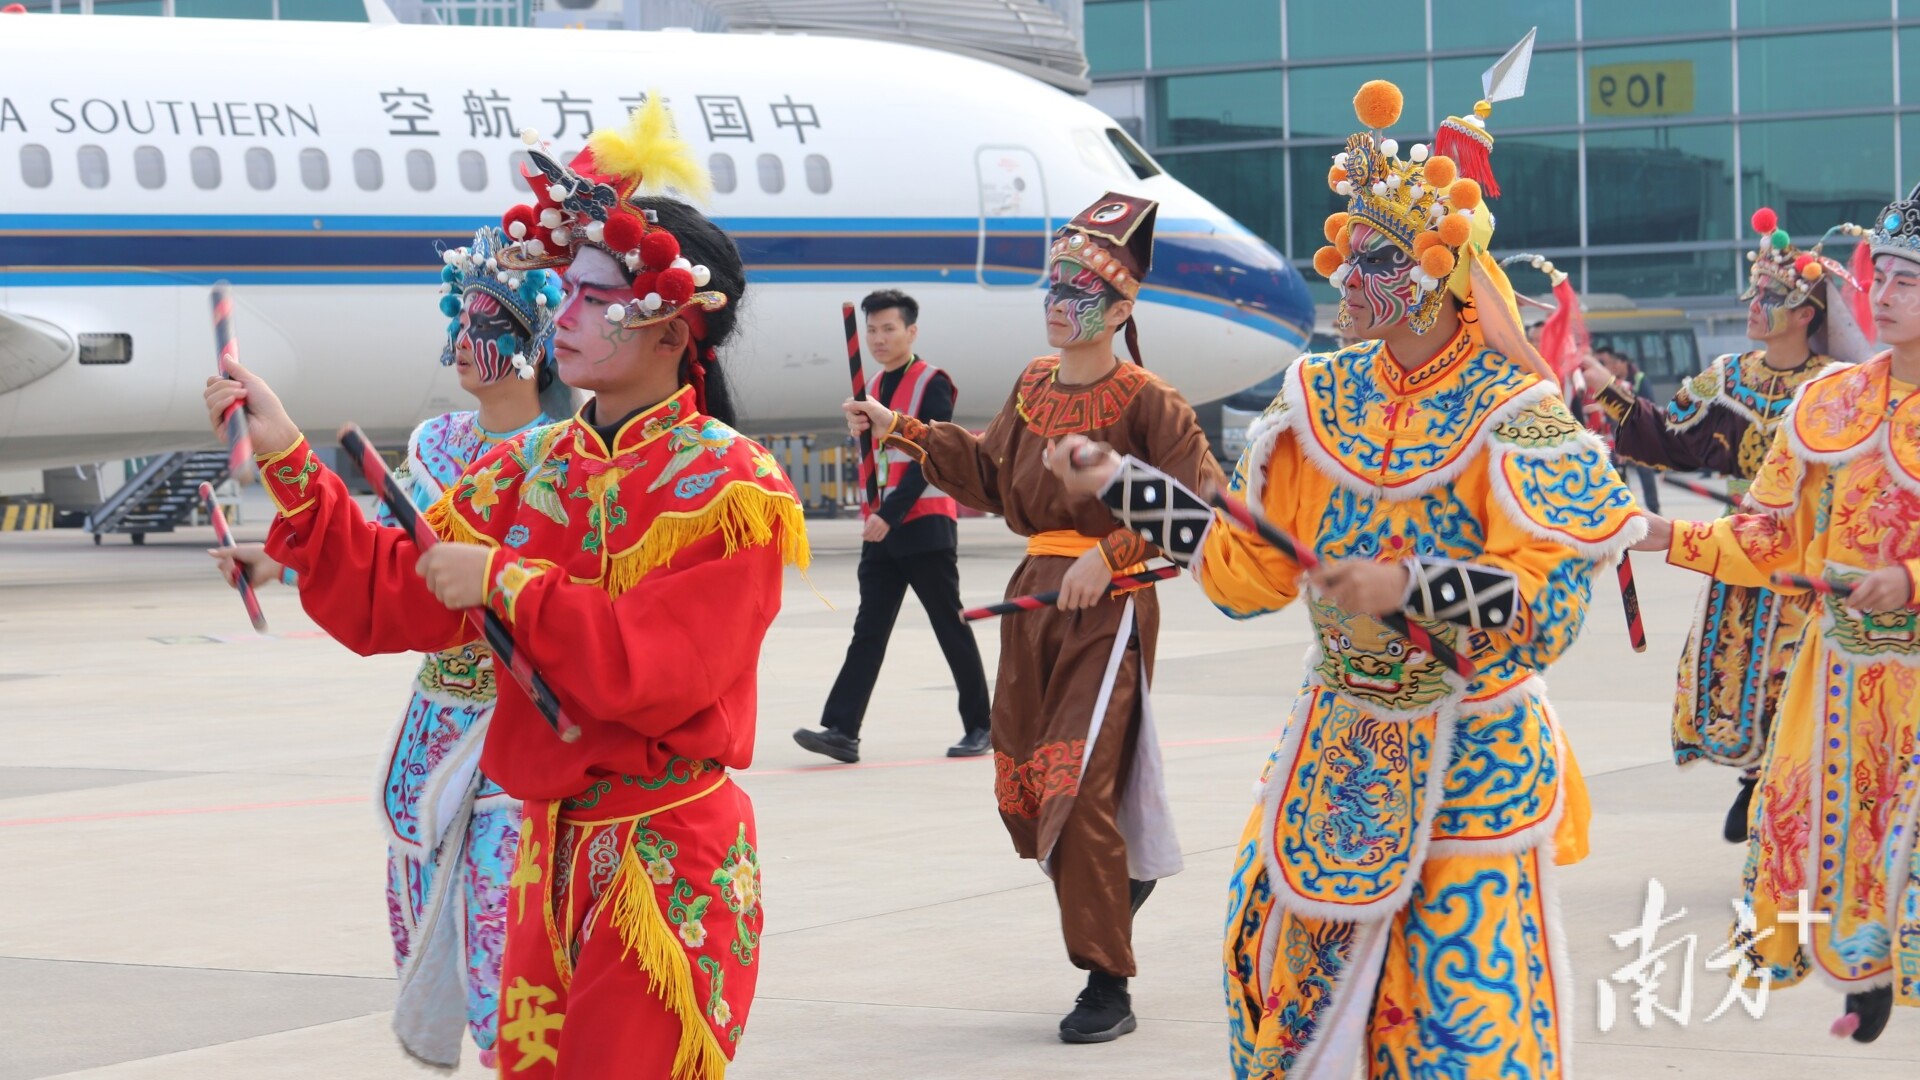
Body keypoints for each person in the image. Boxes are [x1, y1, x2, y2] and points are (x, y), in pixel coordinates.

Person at [203, 100, 809, 1078]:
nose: (561, 317)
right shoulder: (531, 466)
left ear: (666, 320)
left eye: (587, 297)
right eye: (561, 293)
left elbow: (653, 670)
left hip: (660, 862)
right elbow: (390, 591)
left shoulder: (730, 490)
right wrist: (286, 455)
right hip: (546, 856)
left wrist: (507, 582)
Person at [1076, 79, 1640, 1078]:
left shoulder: (1518, 412)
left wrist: (1412, 585)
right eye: (1343, 253)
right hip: (1336, 747)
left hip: (1473, 746)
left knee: (1458, 1018)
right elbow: (1249, 573)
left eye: (1370, 259)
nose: (1341, 275)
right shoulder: (1316, 396)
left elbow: (1549, 606)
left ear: (1431, 275)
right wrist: (1129, 491)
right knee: (1273, 974)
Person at [845, 191, 1223, 1043]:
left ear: (1122, 309)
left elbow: (1200, 506)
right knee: (1025, 792)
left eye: (1080, 291)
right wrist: (899, 427)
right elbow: (984, 475)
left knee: (1077, 783)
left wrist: (1114, 553)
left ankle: (1106, 982)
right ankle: (1113, 895)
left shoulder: (1150, 400)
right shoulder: (1031, 383)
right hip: (1032, 602)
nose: (1059, 303)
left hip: (1109, 606)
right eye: (1053, 286)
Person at [211, 226, 572, 1069]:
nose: (462, 342)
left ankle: (509, 1050)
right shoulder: (439, 443)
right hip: (435, 715)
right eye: (460, 320)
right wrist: (276, 555)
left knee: (504, 923)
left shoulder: (569, 450)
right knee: (420, 907)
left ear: (530, 347)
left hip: (521, 718)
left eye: (484, 325)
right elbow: (381, 542)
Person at [1632, 188, 1920, 1043]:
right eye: (1888, 274)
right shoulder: (1829, 405)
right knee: (1841, 832)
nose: (1893, 291)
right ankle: (1864, 975)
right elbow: (1766, 536)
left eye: (1914, 278)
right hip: (1839, 676)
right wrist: (1663, 532)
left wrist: (1907, 581)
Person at [1582, 209, 1866, 844]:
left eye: (1769, 298)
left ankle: (1781, 786)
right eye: (1755, 295)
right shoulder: (1729, 378)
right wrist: (1606, 391)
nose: (1754, 307)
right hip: (1740, 551)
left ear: (1805, 314)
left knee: (1800, 676)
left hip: (1807, 556)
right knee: (1740, 674)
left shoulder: (1837, 389)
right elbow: (1668, 436)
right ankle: (1757, 780)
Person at [794, 289, 992, 762]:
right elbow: (882, 459)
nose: (879, 339)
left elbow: (935, 455)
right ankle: (842, 730)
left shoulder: (932, 383)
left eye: (888, 329)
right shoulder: (874, 389)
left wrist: (889, 514)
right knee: (869, 629)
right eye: (873, 330)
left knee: (949, 625)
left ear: (911, 332)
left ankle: (982, 725)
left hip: (922, 524)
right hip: (881, 527)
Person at [1596, 348, 1663, 514]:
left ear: (1624, 362)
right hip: (1616, 435)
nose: (1611, 367)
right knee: (1618, 474)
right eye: (1608, 364)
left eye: (1613, 363)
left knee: (1645, 472)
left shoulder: (1638, 380)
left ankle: (1654, 510)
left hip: (1639, 435)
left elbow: (1648, 405)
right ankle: (1627, 512)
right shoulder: (1611, 382)